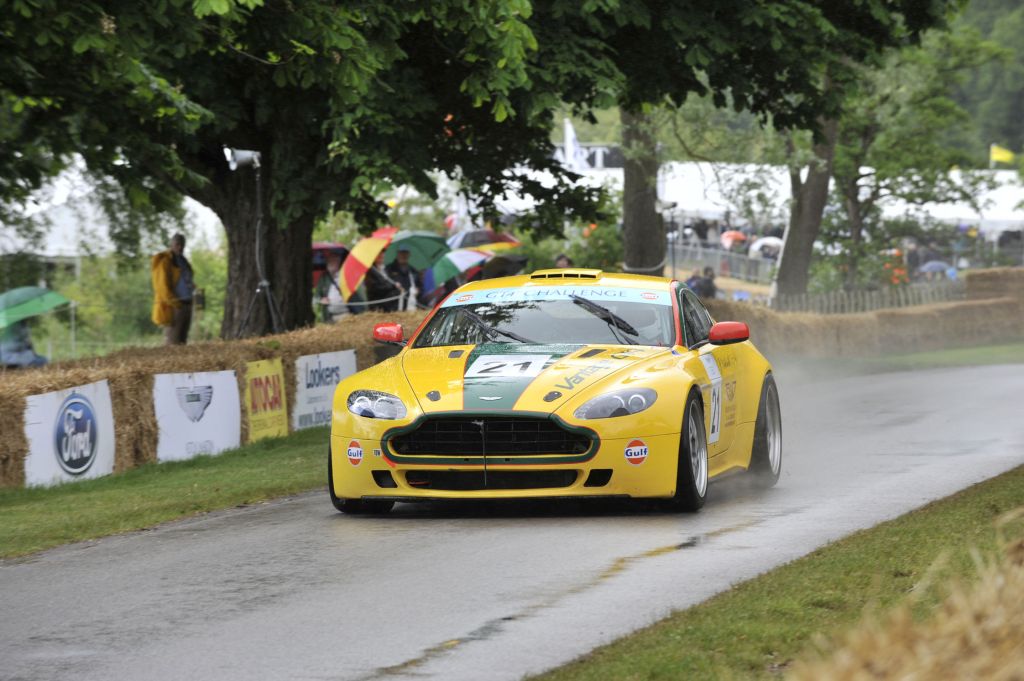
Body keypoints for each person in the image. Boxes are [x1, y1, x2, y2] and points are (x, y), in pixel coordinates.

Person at [151, 233, 195, 345]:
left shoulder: (184, 261)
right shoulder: (165, 261)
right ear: (171, 244)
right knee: (172, 342)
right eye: (177, 244)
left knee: (183, 341)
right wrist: (174, 303)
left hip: (187, 303)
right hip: (174, 306)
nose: (180, 247)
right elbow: (162, 287)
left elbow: (185, 280)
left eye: (182, 244)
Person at [315, 250, 347, 322]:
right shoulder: (324, 278)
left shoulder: (345, 275)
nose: (332, 262)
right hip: (329, 316)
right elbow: (316, 297)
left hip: (346, 314)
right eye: (330, 260)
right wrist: (321, 300)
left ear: (339, 262)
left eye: (335, 260)